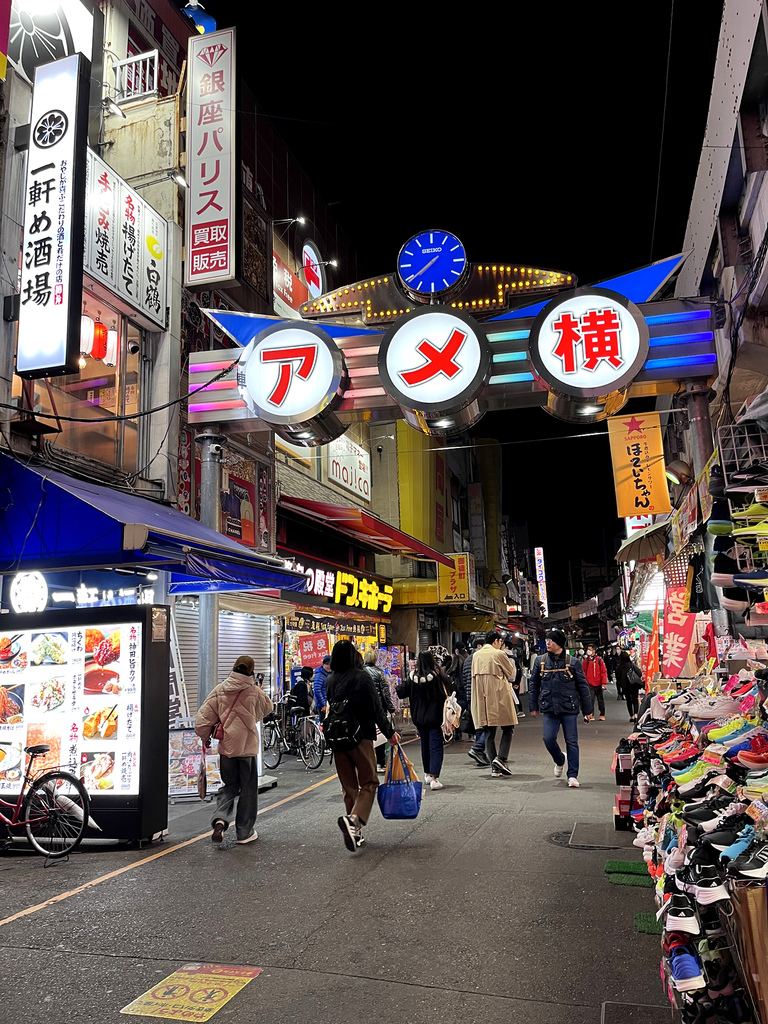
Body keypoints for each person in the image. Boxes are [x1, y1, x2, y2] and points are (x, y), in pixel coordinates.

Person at [326, 640, 400, 851]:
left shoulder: (330, 680)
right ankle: (355, 821)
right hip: (360, 737)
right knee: (369, 782)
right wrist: (389, 732)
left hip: (338, 739)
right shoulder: (362, 677)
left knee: (349, 788)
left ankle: (355, 831)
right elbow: (375, 708)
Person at [195, 655, 274, 845]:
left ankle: (221, 818)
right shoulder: (255, 692)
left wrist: (205, 737)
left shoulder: (220, 690)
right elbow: (268, 708)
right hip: (246, 749)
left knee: (229, 786)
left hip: (227, 749)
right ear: (251, 672)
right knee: (248, 789)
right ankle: (244, 833)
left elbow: (201, 722)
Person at [528, 629, 592, 788]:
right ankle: (559, 759)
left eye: (551, 640)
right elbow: (533, 685)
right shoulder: (540, 661)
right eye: (547, 640)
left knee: (572, 741)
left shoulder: (573, 662)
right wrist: (533, 706)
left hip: (569, 707)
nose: (548, 643)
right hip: (549, 707)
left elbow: (583, 687)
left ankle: (572, 775)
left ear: (560, 644)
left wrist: (588, 710)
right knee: (548, 738)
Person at [397, 651, 451, 790]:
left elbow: (401, 692)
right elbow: (450, 689)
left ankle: (427, 774)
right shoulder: (438, 676)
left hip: (419, 718)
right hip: (435, 717)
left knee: (425, 745)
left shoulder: (411, 677)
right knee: (435, 747)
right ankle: (434, 778)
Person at [471, 631, 518, 777]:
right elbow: (511, 673)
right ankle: (501, 758)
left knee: (489, 731)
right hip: (499, 696)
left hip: (482, 697)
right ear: (496, 641)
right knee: (508, 727)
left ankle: (495, 768)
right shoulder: (498, 654)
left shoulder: (476, 655)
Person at [363, 649, 396, 772]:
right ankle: (380, 763)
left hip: (363, 710)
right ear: (375, 660)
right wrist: (391, 708)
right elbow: (385, 693)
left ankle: (368, 763)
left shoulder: (360, 672)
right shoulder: (379, 673)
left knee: (366, 737)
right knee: (379, 735)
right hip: (378, 707)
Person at [463, 636, 488, 765]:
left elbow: (463, 680)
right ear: (479, 646)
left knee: (479, 726)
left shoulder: (467, 660)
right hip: (479, 696)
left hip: (469, 698)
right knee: (486, 726)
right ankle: (478, 748)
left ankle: (480, 753)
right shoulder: (478, 659)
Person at [583, 643, 607, 721]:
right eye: (588, 649)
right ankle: (591, 714)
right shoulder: (586, 661)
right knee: (591, 699)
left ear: (594, 650)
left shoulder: (599, 660)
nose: (588, 651)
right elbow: (584, 672)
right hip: (589, 683)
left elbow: (603, 672)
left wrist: (604, 683)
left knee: (600, 700)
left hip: (599, 683)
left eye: (590, 649)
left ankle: (602, 714)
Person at [618, 650, 644, 722]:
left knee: (628, 701)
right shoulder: (632, 665)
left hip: (625, 687)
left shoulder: (619, 667)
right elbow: (639, 673)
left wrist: (620, 688)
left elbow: (618, 679)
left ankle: (631, 716)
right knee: (635, 699)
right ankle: (636, 714)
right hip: (633, 685)